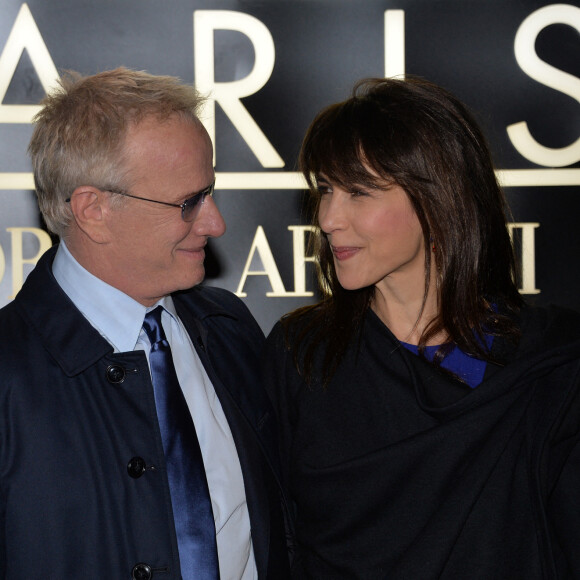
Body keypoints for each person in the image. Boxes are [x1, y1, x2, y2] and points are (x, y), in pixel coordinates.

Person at [263, 77, 580, 579]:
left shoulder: (551, 364)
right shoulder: (303, 354)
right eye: (325, 189)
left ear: (438, 197)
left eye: (358, 192)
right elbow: (277, 540)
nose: (327, 218)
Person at [0, 67, 290, 579]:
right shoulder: (9, 372)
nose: (216, 222)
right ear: (93, 210)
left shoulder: (229, 331)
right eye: (188, 203)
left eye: (210, 192)